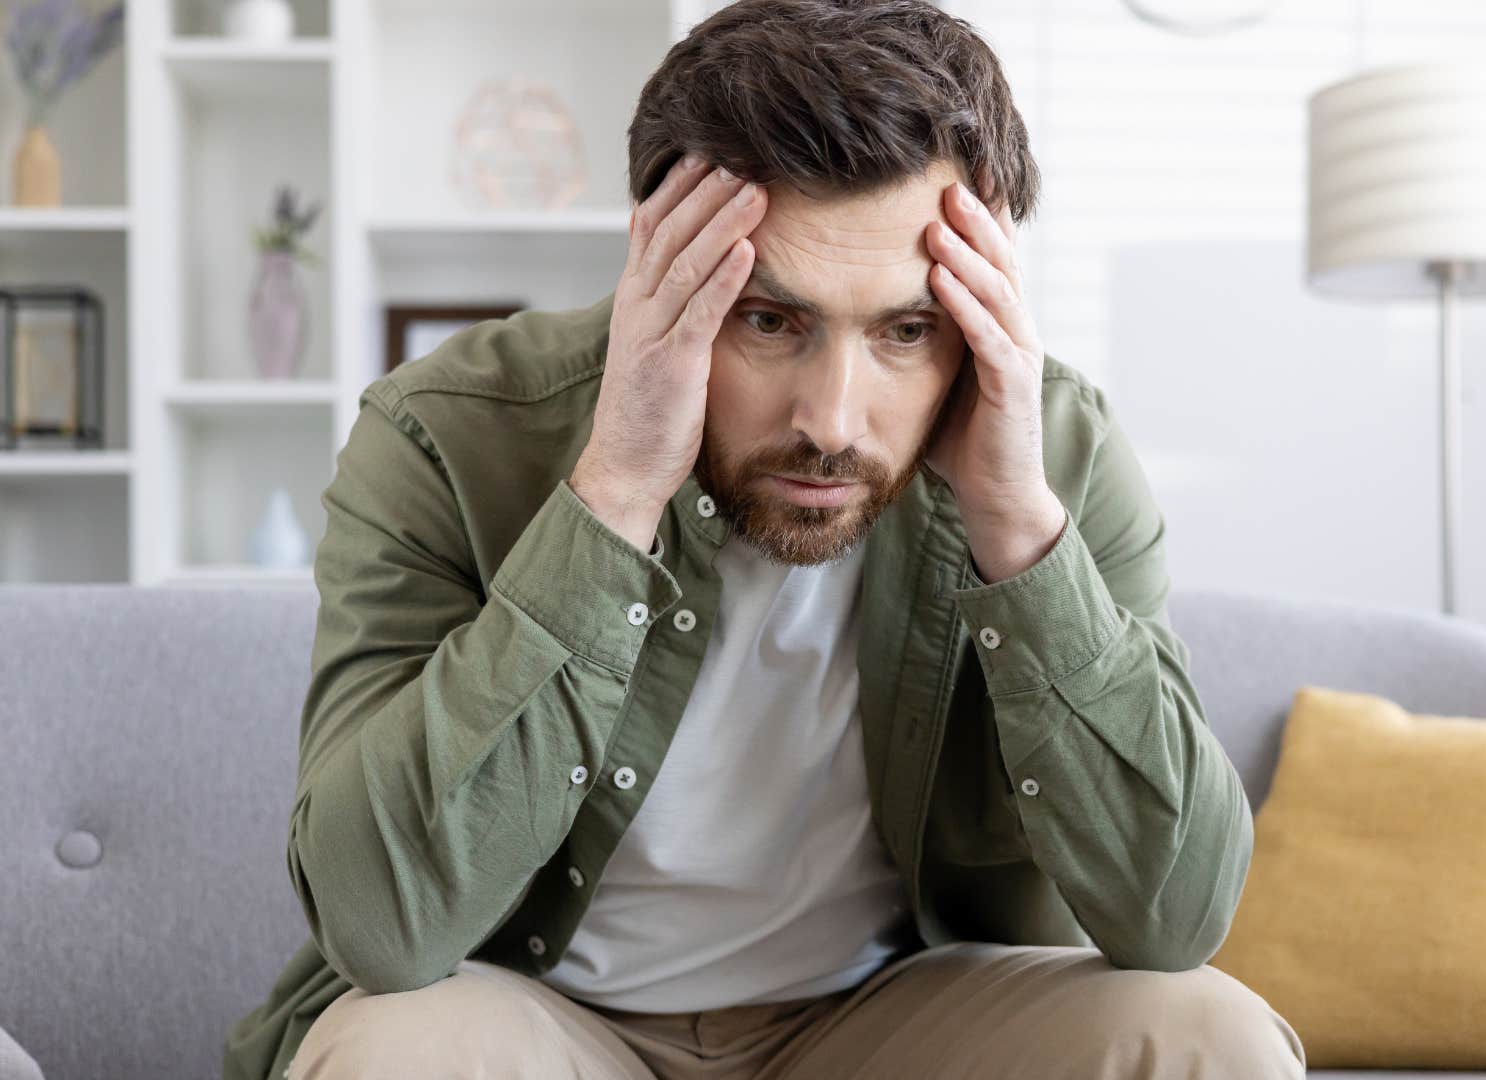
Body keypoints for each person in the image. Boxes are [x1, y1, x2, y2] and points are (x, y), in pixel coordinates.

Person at [222, 1, 1306, 1077]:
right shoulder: (445, 433)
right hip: (543, 1019)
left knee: (1213, 1041)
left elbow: (1175, 918)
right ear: (659, 265)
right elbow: (380, 922)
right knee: (396, 1057)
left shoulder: (1051, 448)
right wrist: (613, 493)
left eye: (906, 329)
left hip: (888, 1021)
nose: (832, 423)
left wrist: (1018, 527)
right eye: (769, 320)